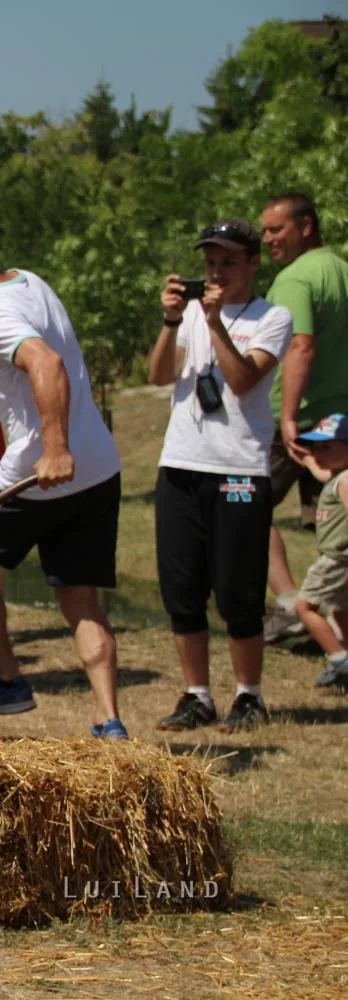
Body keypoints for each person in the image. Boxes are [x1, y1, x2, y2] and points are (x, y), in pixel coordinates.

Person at [0, 210, 126, 738]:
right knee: (79, 596)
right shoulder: (29, 281)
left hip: (40, 475)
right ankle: (109, 720)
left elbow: (47, 364)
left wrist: (54, 448)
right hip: (98, 469)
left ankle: (8, 679)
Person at [148, 221, 294, 733]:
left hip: (238, 470)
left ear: (254, 263)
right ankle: (197, 695)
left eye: (228, 261)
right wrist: (171, 322)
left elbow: (244, 378)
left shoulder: (273, 317)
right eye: (210, 262)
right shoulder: (188, 314)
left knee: (237, 590)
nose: (216, 271)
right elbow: (160, 376)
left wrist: (215, 325)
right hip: (181, 465)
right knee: (182, 588)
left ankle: (249, 695)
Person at [258, 194, 348, 643]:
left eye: (277, 229)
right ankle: (332, 621)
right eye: (266, 231)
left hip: (298, 417)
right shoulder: (341, 270)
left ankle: (291, 604)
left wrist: (288, 415)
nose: (268, 239)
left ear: (306, 226)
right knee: (335, 521)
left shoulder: (296, 278)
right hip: (340, 417)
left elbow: (301, 345)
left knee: (249, 504)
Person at [290, 415, 348, 690]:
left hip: (335, 560)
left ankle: (339, 660)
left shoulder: (346, 481)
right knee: (339, 611)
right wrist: (307, 458)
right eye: (315, 447)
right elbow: (321, 473)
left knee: (304, 607)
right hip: (339, 560)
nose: (317, 453)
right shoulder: (337, 476)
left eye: (326, 448)